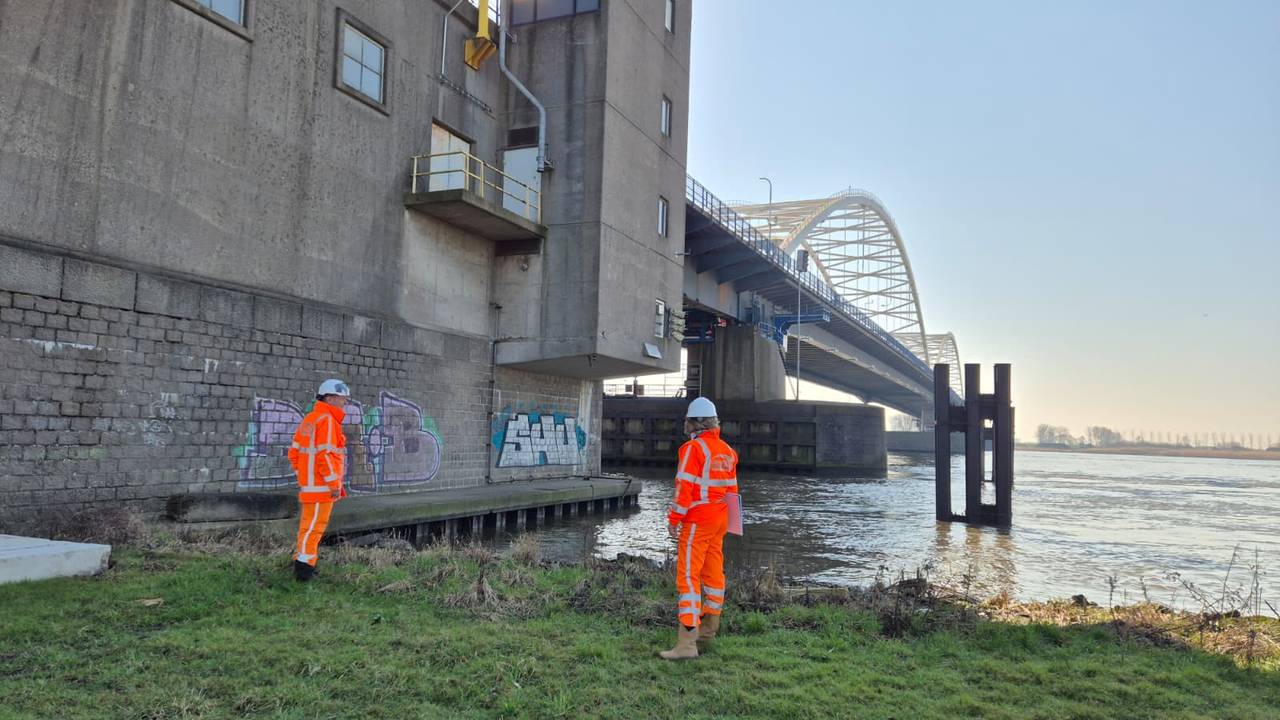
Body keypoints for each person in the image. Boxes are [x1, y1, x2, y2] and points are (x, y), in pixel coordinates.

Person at [660, 396, 739, 660]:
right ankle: (708, 629)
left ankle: (686, 644)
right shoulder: (727, 451)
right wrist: (731, 523)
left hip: (699, 519)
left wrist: (674, 519)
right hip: (720, 519)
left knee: (688, 577)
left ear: (694, 423)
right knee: (714, 573)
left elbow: (685, 488)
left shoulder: (692, 450)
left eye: (687, 420)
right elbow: (732, 491)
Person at [287, 379, 350, 582]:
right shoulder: (328, 421)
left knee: (308, 528)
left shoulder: (310, 419)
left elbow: (294, 453)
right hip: (322, 488)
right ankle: (304, 572)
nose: (345, 403)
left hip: (311, 485)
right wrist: (333, 485)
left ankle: (303, 564)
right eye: (342, 399)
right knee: (314, 528)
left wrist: (305, 476)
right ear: (330, 398)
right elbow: (325, 456)